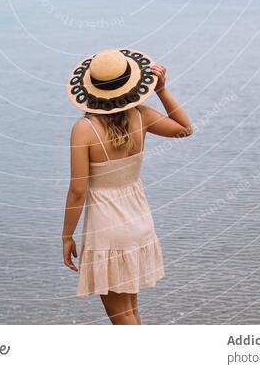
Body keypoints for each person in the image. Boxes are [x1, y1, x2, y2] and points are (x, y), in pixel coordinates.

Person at [62, 48, 193, 325]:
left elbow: (78, 190)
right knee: (130, 312)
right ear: (131, 85)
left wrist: (66, 236)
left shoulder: (84, 129)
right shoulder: (141, 116)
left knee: (121, 317)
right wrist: (162, 91)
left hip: (107, 229)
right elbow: (185, 129)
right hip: (138, 223)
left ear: (91, 90)